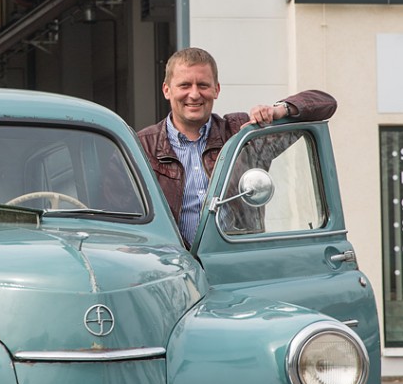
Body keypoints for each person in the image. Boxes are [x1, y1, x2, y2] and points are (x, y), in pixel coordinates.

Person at [137, 47, 336, 245]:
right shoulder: (142, 146)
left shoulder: (243, 133)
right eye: (185, 85)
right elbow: (123, 217)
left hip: (236, 263)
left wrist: (278, 111)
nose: (195, 94)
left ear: (217, 89)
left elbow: (325, 104)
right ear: (166, 90)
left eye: (203, 85)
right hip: (173, 266)